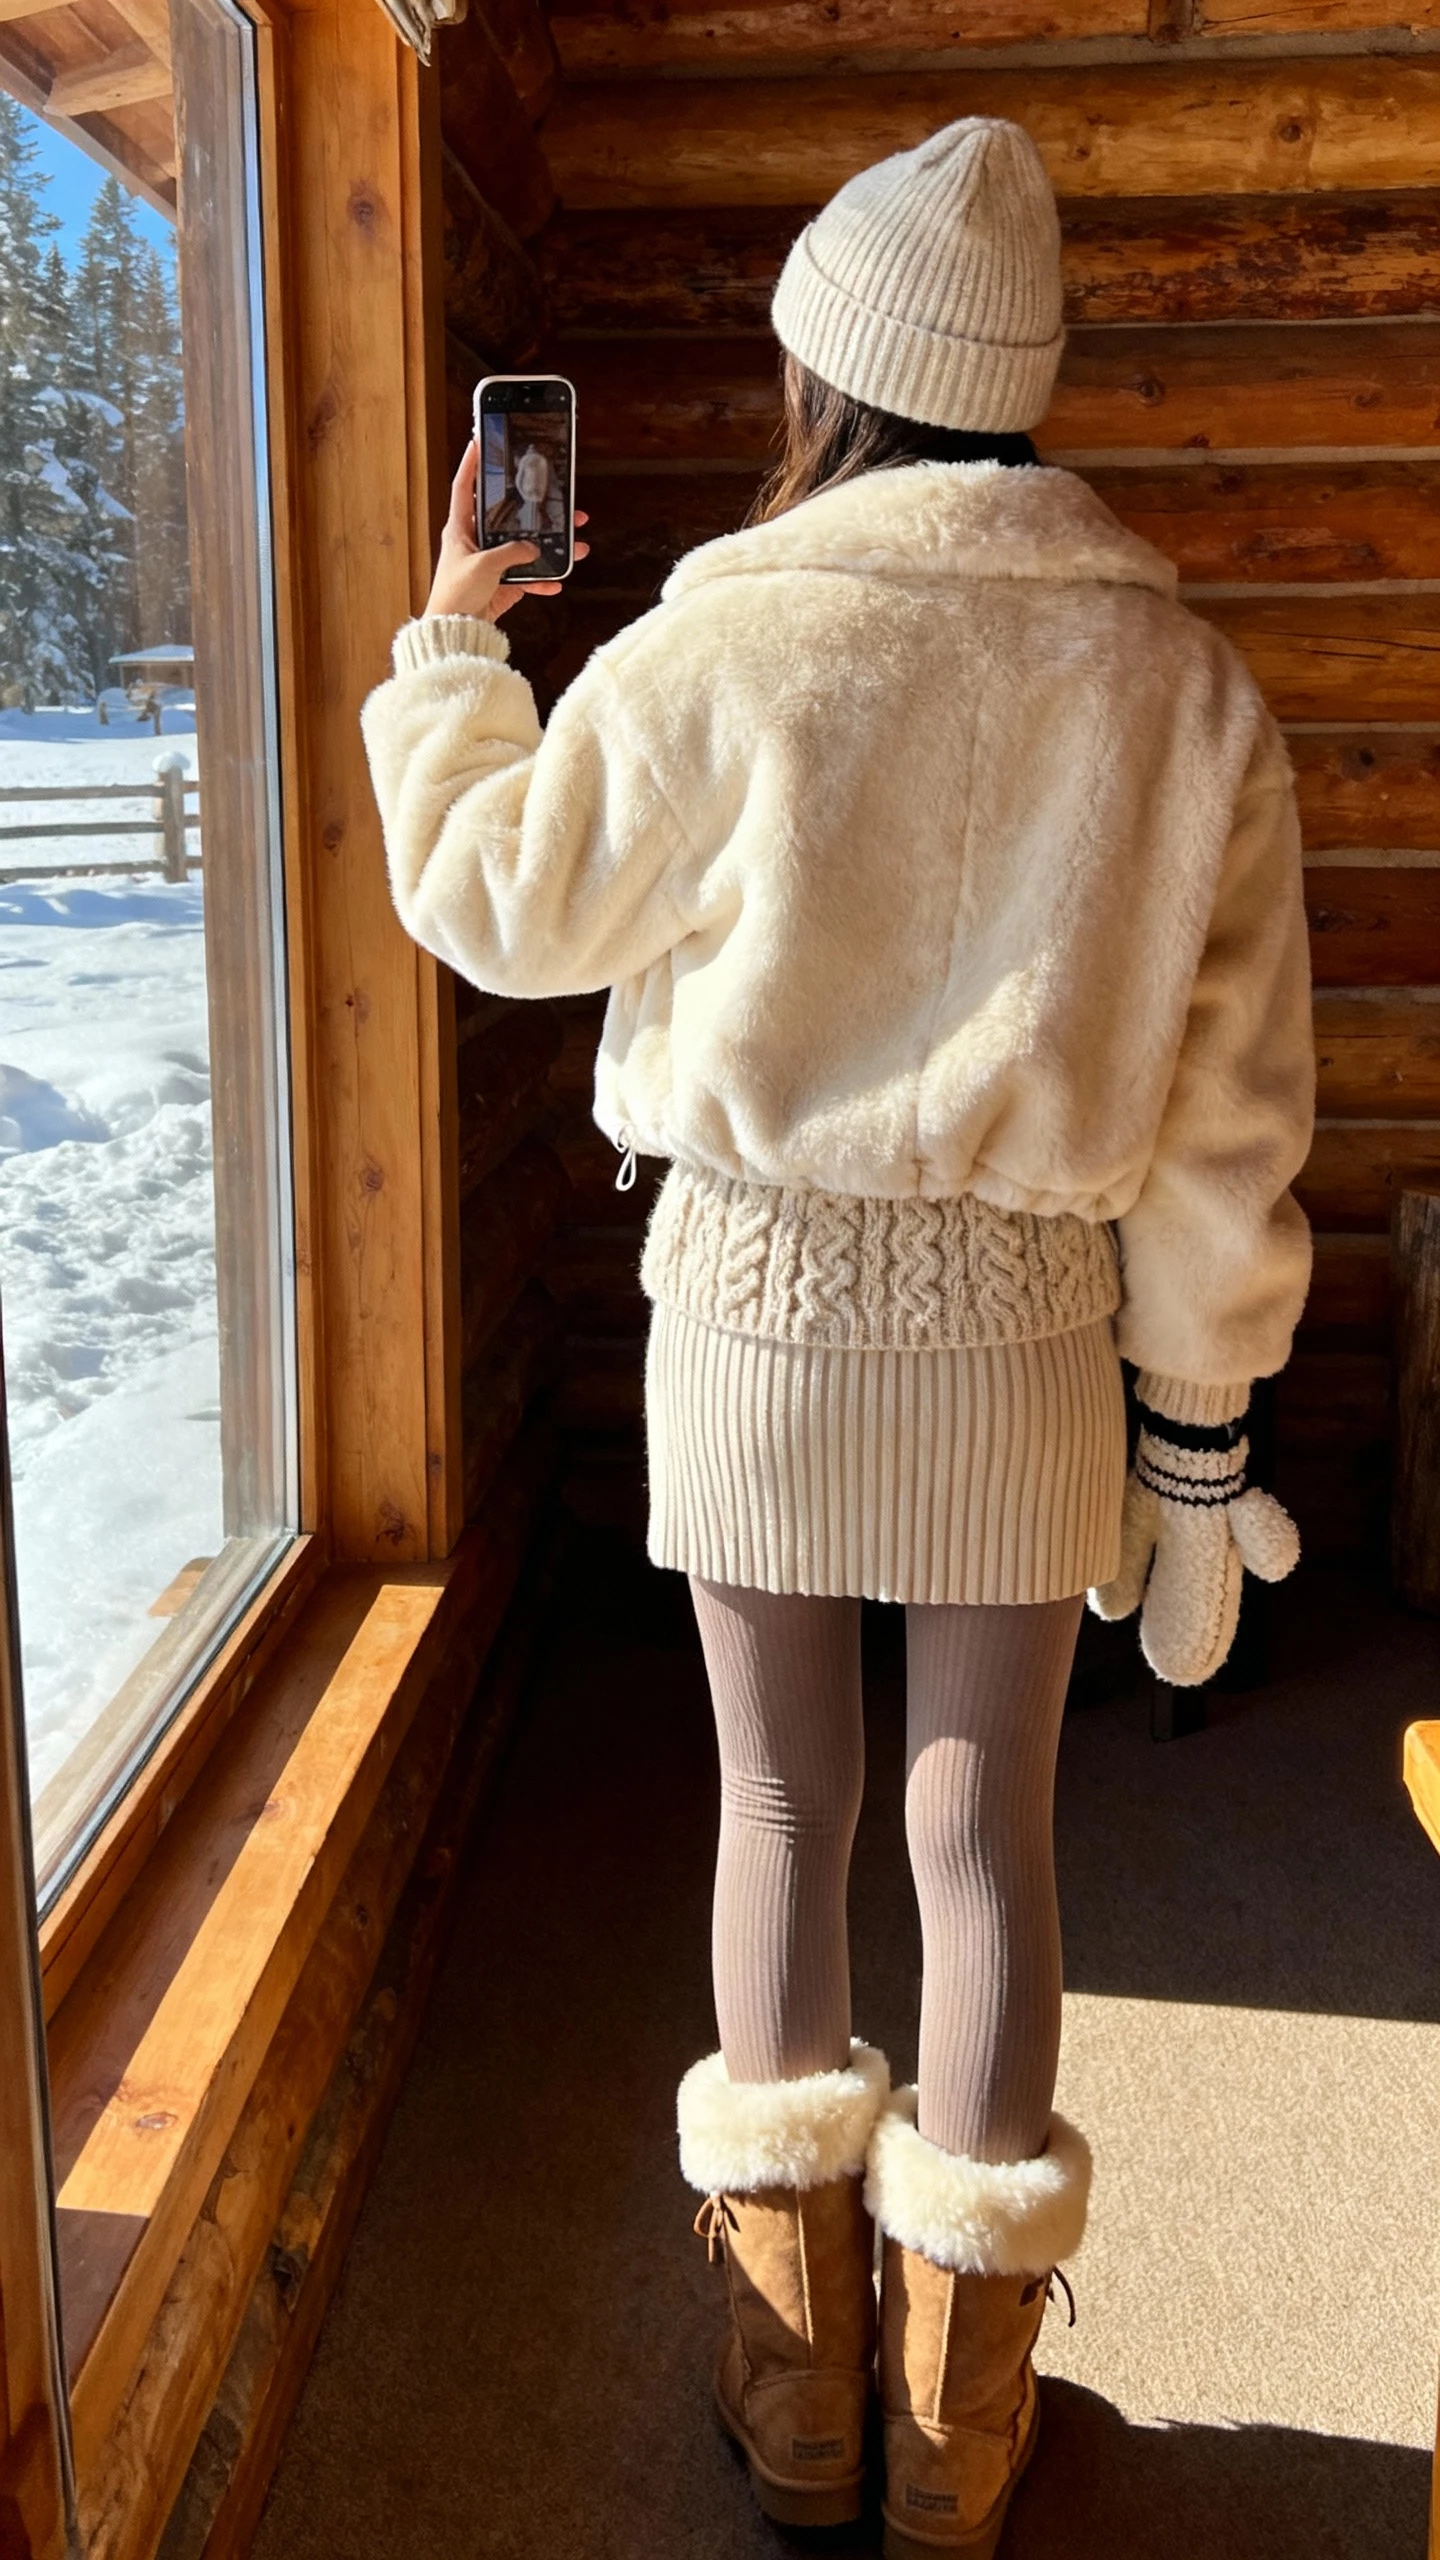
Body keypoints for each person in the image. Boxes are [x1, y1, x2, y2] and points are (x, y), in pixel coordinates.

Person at [362, 116, 1314, 2560]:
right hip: (1020, 1329)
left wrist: (457, 641)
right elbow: (1226, 1121)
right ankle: (954, 2422)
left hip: (757, 1309)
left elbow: (496, 892)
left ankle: (793, 2394)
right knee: (984, 1831)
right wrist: (1193, 1435)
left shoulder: (721, 629)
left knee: (776, 1806)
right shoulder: (1178, 679)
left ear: (828, 370)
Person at [513, 440, 550, 535]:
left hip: (530, 491)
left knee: (533, 515)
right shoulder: (541, 459)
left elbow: (519, 478)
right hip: (535, 493)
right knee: (532, 515)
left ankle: (531, 533)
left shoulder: (527, 459)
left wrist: (523, 493)